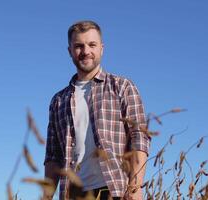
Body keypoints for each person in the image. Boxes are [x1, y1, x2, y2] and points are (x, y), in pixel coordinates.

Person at [44, 20, 150, 200]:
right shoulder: (58, 101)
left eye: (92, 45)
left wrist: (134, 187)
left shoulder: (122, 87)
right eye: (79, 46)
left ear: (102, 48)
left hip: (114, 190)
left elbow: (139, 138)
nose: (86, 51)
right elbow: (53, 156)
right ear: (70, 51)